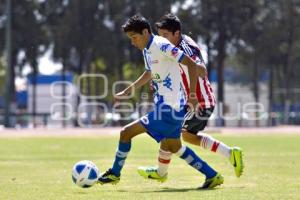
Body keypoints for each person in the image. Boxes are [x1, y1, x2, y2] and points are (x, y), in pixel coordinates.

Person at [98, 14, 224, 189]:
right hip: (167, 107)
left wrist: (193, 96)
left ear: (145, 32)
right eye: (130, 39)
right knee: (175, 146)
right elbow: (149, 73)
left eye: (134, 37)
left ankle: (114, 173)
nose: (133, 42)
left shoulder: (162, 45)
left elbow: (192, 65)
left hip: (169, 109)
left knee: (125, 133)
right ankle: (212, 175)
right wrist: (128, 90)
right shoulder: (147, 50)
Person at [137, 13, 244, 182]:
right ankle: (231, 153)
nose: (162, 39)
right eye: (160, 35)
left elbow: (199, 67)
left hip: (198, 101)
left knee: (172, 133)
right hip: (190, 101)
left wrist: (198, 70)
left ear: (176, 34)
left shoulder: (184, 47)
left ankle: (162, 172)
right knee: (187, 136)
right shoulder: (172, 47)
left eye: (166, 35)